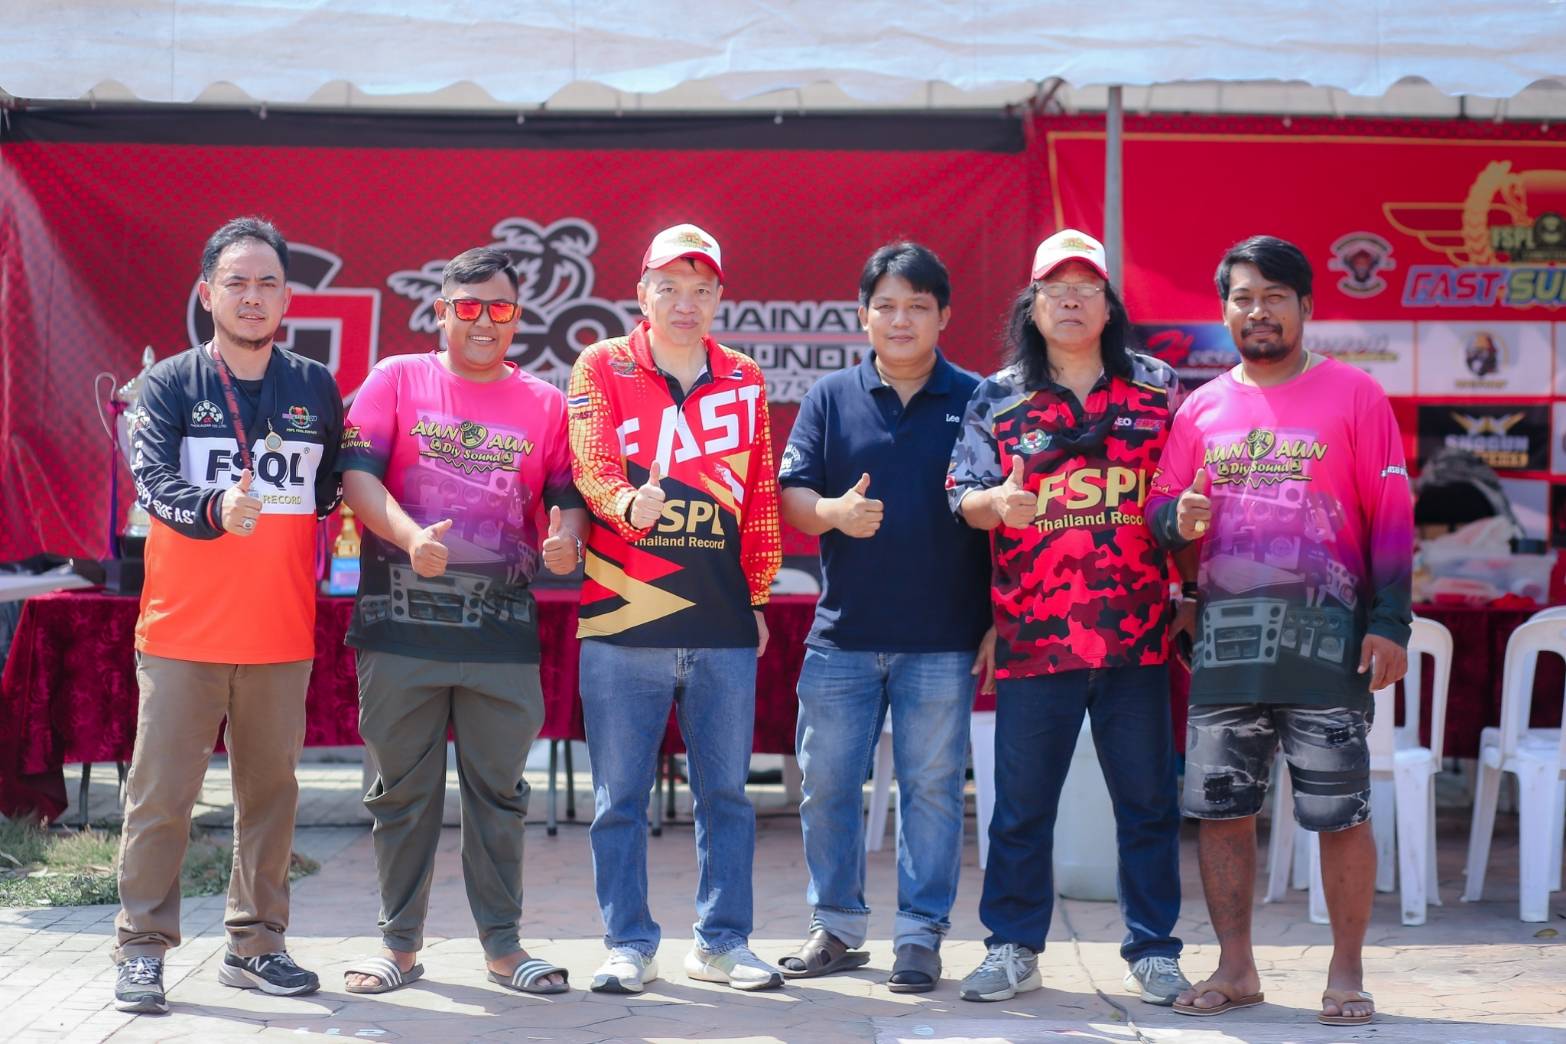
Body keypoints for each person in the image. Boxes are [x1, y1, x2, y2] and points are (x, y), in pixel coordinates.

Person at [1147, 235, 1412, 1028]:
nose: (1257, 311)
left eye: (1273, 296)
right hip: (1226, 647)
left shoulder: (1357, 395)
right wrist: (1177, 518)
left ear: (1306, 307)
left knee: (1341, 813)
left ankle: (1347, 972)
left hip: (1329, 644)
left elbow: (1391, 518)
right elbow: (1159, 510)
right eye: (1242, 297)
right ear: (1224, 310)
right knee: (1222, 810)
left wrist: (1390, 622)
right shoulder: (1201, 408)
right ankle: (1236, 970)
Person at [947, 229, 1192, 1005]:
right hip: (1035, 639)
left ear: (1110, 305)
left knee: (1148, 805)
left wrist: (1188, 565)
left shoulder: (1157, 386)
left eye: (1088, 288)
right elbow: (962, 495)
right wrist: (998, 502)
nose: (1073, 302)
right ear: (1034, 304)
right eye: (1057, 289)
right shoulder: (997, 395)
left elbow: (1180, 497)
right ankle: (1012, 948)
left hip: (1137, 638)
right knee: (1021, 810)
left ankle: (1154, 951)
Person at [337, 247, 586, 996]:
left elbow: (567, 496)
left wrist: (567, 539)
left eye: (499, 309)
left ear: (517, 317)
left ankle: (504, 949)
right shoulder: (395, 379)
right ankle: (398, 947)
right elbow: (356, 477)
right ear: (440, 311)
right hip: (398, 626)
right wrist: (412, 537)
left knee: (499, 795)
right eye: (468, 307)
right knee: (400, 795)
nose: (483, 322)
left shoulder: (545, 403)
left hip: (500, 634)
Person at [113, 216, 344, 1013]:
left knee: (271, 801)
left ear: (287, 297)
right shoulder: (171, 383)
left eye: (267, 282)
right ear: (207, 293)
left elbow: (333, 487)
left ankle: (257, 946)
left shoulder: (314, 385)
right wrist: (214, 507)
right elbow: (151, 482)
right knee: (161, 800)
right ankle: (142, 948)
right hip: (184, 632)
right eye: (236, 282)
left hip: (280, 631)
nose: (253, 296)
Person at [567, 224, 783, 992]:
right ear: (642, 294)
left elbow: (760, 497)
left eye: (700, 289)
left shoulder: (744, 377)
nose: (684, 303)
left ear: (719, 297)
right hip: (622, 623)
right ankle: (628, 944)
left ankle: (722, 943)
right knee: (618, 800)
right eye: (669, 288)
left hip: (721, 623)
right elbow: (590, 465)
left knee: (726, 797)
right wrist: (629, 503)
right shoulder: (602, 364)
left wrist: (758, 595)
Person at [776, 242, 992, 992]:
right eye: (887, 306)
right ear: (863, 315)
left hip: (943, 639)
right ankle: (835, 926)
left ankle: (920, 935)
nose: (901, 320)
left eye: (917, 307)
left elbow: (1001, 513)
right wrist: (832, 513)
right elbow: (792, 494)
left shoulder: (978, 398)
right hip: (844, 636)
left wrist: (997, 618)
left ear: (944, 316)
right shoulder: (830, 397)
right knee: (827, 786)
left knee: (932, 792)